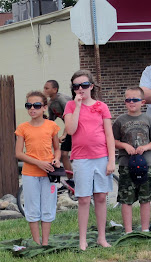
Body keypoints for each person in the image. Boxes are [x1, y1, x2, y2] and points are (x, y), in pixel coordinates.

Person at [64, 69, 115, 250]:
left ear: (91, 86)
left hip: (101, 156)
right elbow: (70, 130)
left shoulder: (102, 106)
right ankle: (83, 239)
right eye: (76, 86)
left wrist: (111, 160)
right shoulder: (70, 105)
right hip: (81, 158)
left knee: (101, 197)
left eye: (84, 85)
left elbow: (109, 135)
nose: (80, 89)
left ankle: (102, 237)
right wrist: (78, 106)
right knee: (84, 199)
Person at [15, 91, 61, 245]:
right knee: (32, 208)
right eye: (29, 105)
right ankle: (36, 242)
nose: (32, 109)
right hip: (30, 174)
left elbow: (57, 149)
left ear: (44, 107)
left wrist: (57, 159)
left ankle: (45, 242)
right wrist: (38, 163)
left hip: (49, 174)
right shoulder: (22, 128)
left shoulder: (52, 126)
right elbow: (18, 153)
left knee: (48, 207)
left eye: (36, 105)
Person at [113, 86, 151, 234]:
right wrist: (124, 145)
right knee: (126, 199)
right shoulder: (120, 120)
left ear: (142, 102)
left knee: (145, 198)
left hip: (146, 164)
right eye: (128, 100)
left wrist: (146, 147)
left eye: (134, 100)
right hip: (126, 164)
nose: (131, 102)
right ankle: (128, 230)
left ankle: (145, 228)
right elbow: (112, 140)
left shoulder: (147, 119)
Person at [43, 80, 72, 178]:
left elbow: (70, 117)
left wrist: (64, 135)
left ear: (55, 90)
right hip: (69, 128)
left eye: (47, 88)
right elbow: (51, 120)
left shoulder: (62, 99)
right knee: (63, 154)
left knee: (77, 155)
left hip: (77, 127)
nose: (44, 90)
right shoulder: (51, 103)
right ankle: (70, 180)